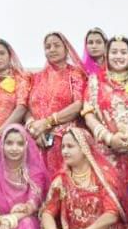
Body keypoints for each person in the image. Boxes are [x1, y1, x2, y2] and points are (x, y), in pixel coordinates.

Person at [82, 35, 128, 193]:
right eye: (114, 52)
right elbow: (88, 114)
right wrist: (110, 138)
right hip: (106, 152)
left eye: (123, 52)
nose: (119, 56)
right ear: (106, 55)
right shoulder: (95, 81)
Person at [25, 32, 87, 173]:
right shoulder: (36, 77)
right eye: (48, 47)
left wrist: (47, 123)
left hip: (65, 142)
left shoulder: (75, 74)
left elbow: (78, 105)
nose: (52, 49)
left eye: (57, 45)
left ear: (66, 48)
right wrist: (33, 127)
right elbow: (27, 108)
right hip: (37, 140)